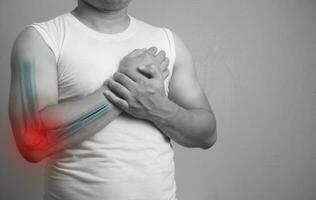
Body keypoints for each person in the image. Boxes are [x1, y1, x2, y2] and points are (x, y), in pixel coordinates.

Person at [8, 0, 217, 199]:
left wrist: (157, 106)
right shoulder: (41, 39)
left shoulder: (167, 42)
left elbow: (207, 134)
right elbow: (31, 140)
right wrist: (129, 85)